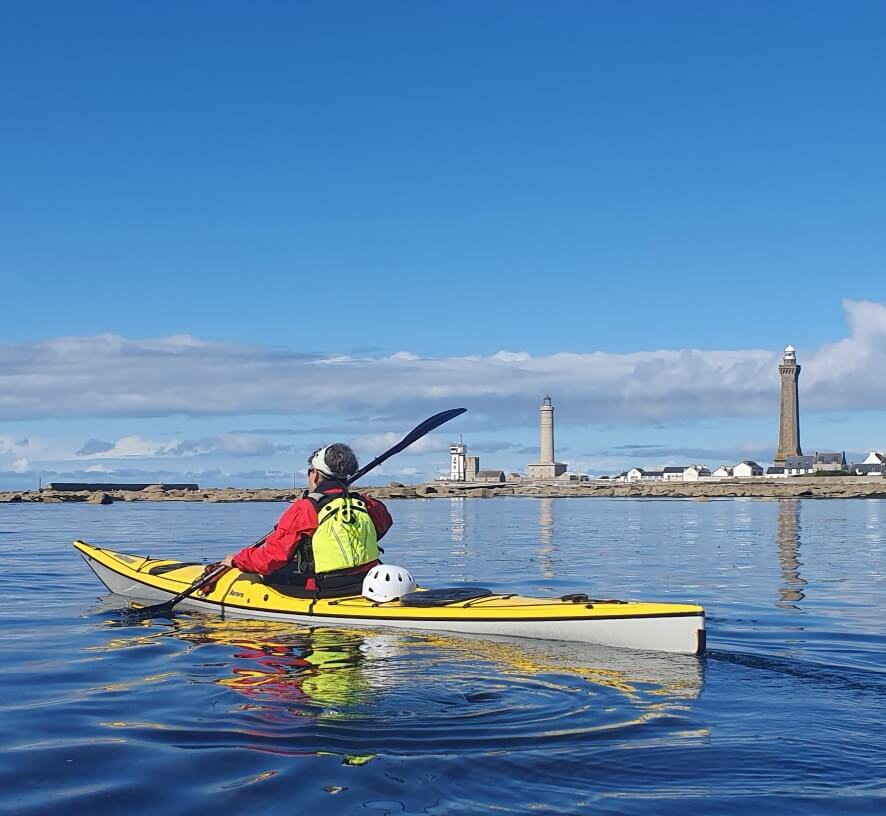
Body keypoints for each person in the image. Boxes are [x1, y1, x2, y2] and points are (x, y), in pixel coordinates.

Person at [213, 443, 392, 597]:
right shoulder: (367, 504)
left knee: (264, 574)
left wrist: (237, 560)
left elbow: (270, 560)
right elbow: (380, 528)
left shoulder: (304, 509)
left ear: (315, 475)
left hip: (325, 588)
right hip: (365, 580)